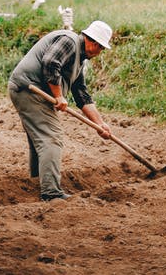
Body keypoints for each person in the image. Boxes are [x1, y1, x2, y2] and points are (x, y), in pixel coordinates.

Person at [8, 20, 113, 201]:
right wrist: (58, 95)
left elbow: (81, 94)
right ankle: (51, 192)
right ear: (95, 43)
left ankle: (38, 181)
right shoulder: (69, 41)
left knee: (39, 139)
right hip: (29, 88)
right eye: (102, 48)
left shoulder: (79, 59)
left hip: (32, 90)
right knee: (51, 137)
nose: (100, 52)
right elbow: (50, 62)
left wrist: (99, 124)